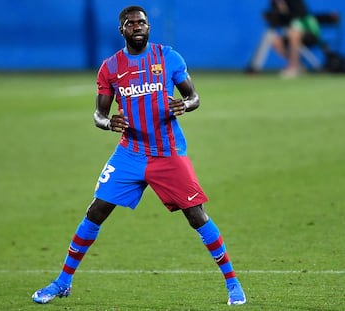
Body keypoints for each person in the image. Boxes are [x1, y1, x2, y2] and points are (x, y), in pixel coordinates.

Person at [32, 5, 246, 306]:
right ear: (121, 30)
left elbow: (193, 96)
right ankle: (63, 282)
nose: (137, 26)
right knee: (95, 211)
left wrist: (185, 105)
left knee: (196, 216)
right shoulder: (110, 67)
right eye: (131, 23)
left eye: (142, 22)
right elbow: (99, 114)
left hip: (167, 153)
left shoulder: (168, 57)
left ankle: (233, 283)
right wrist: (108, 123)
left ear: (149, 27)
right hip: (130, 153)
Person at [269, 0, 320, 78]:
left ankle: (294, 67)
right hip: (290, 33)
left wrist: (286, 10)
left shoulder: (295, 2)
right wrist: (281, 9)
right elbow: (277, 22)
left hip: (309, 32)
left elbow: (301, 15)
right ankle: (297, 65)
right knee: (276, 41)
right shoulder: (275, 3)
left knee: (294, 34)